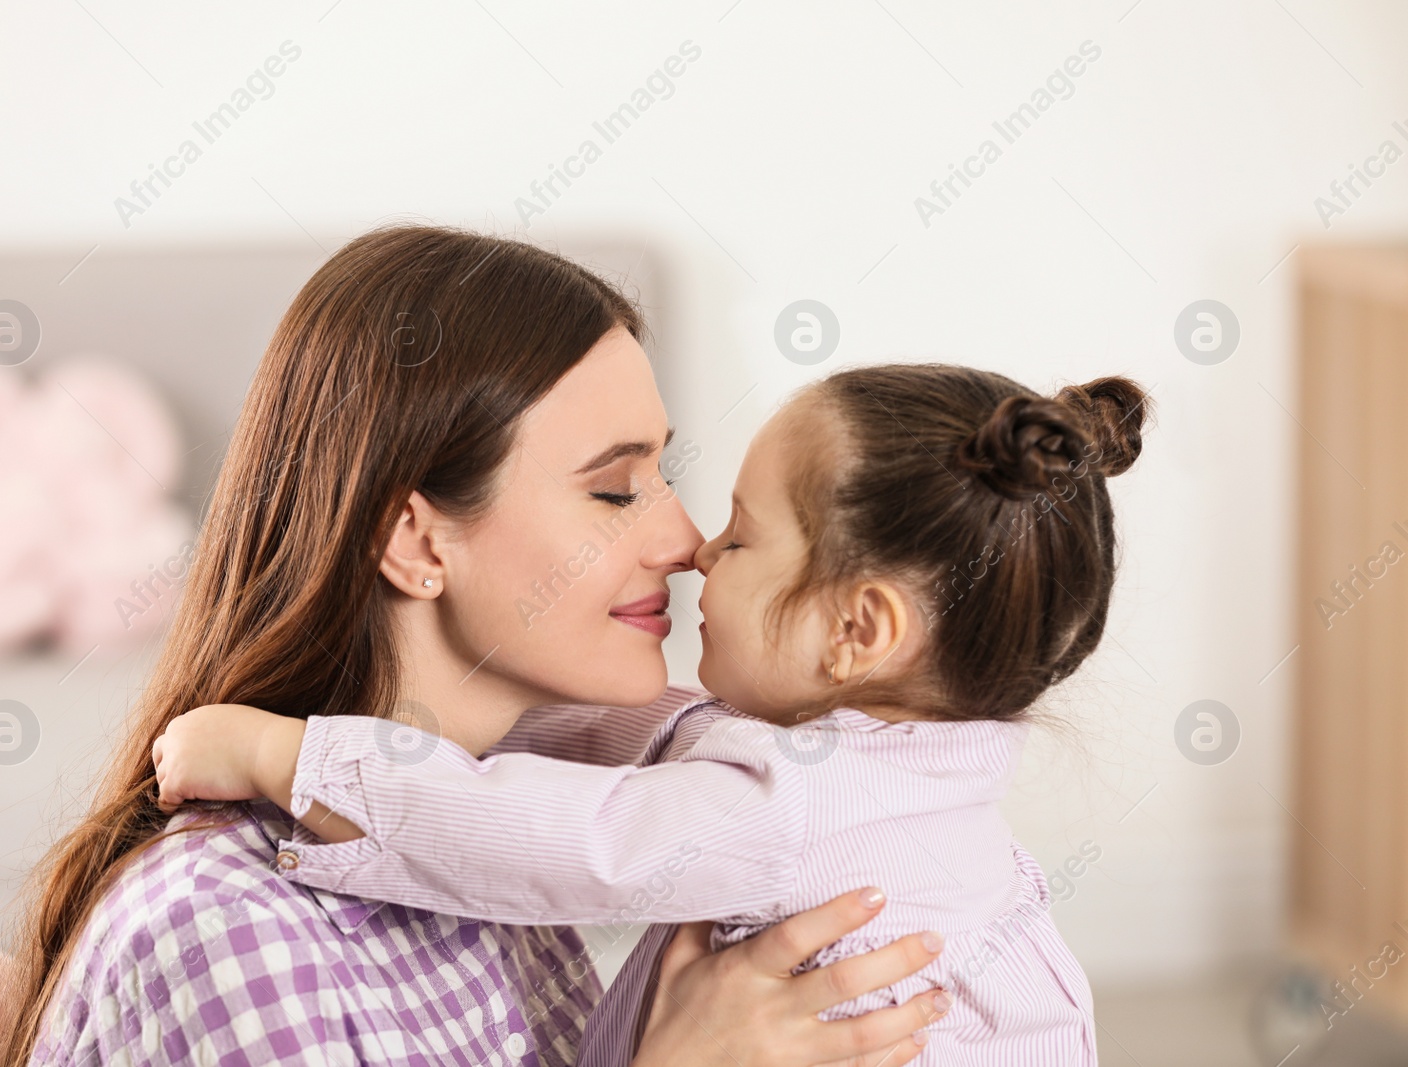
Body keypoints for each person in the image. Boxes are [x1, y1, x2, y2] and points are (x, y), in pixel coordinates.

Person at [0, 225, 943, 1066]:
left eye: (665, 475)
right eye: (615, 490)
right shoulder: (226, 936)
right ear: (416, 539)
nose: (687, 542)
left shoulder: (490, 838)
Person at [153, 363, 1151, 1065]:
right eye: (618, 489)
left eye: (743, 537)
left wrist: (290, 755)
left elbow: (559, 834)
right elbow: (654, 737)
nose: (696, 550)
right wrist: (459, 713)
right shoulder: (894, 779)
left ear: (857, 626)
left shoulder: (791, 810)